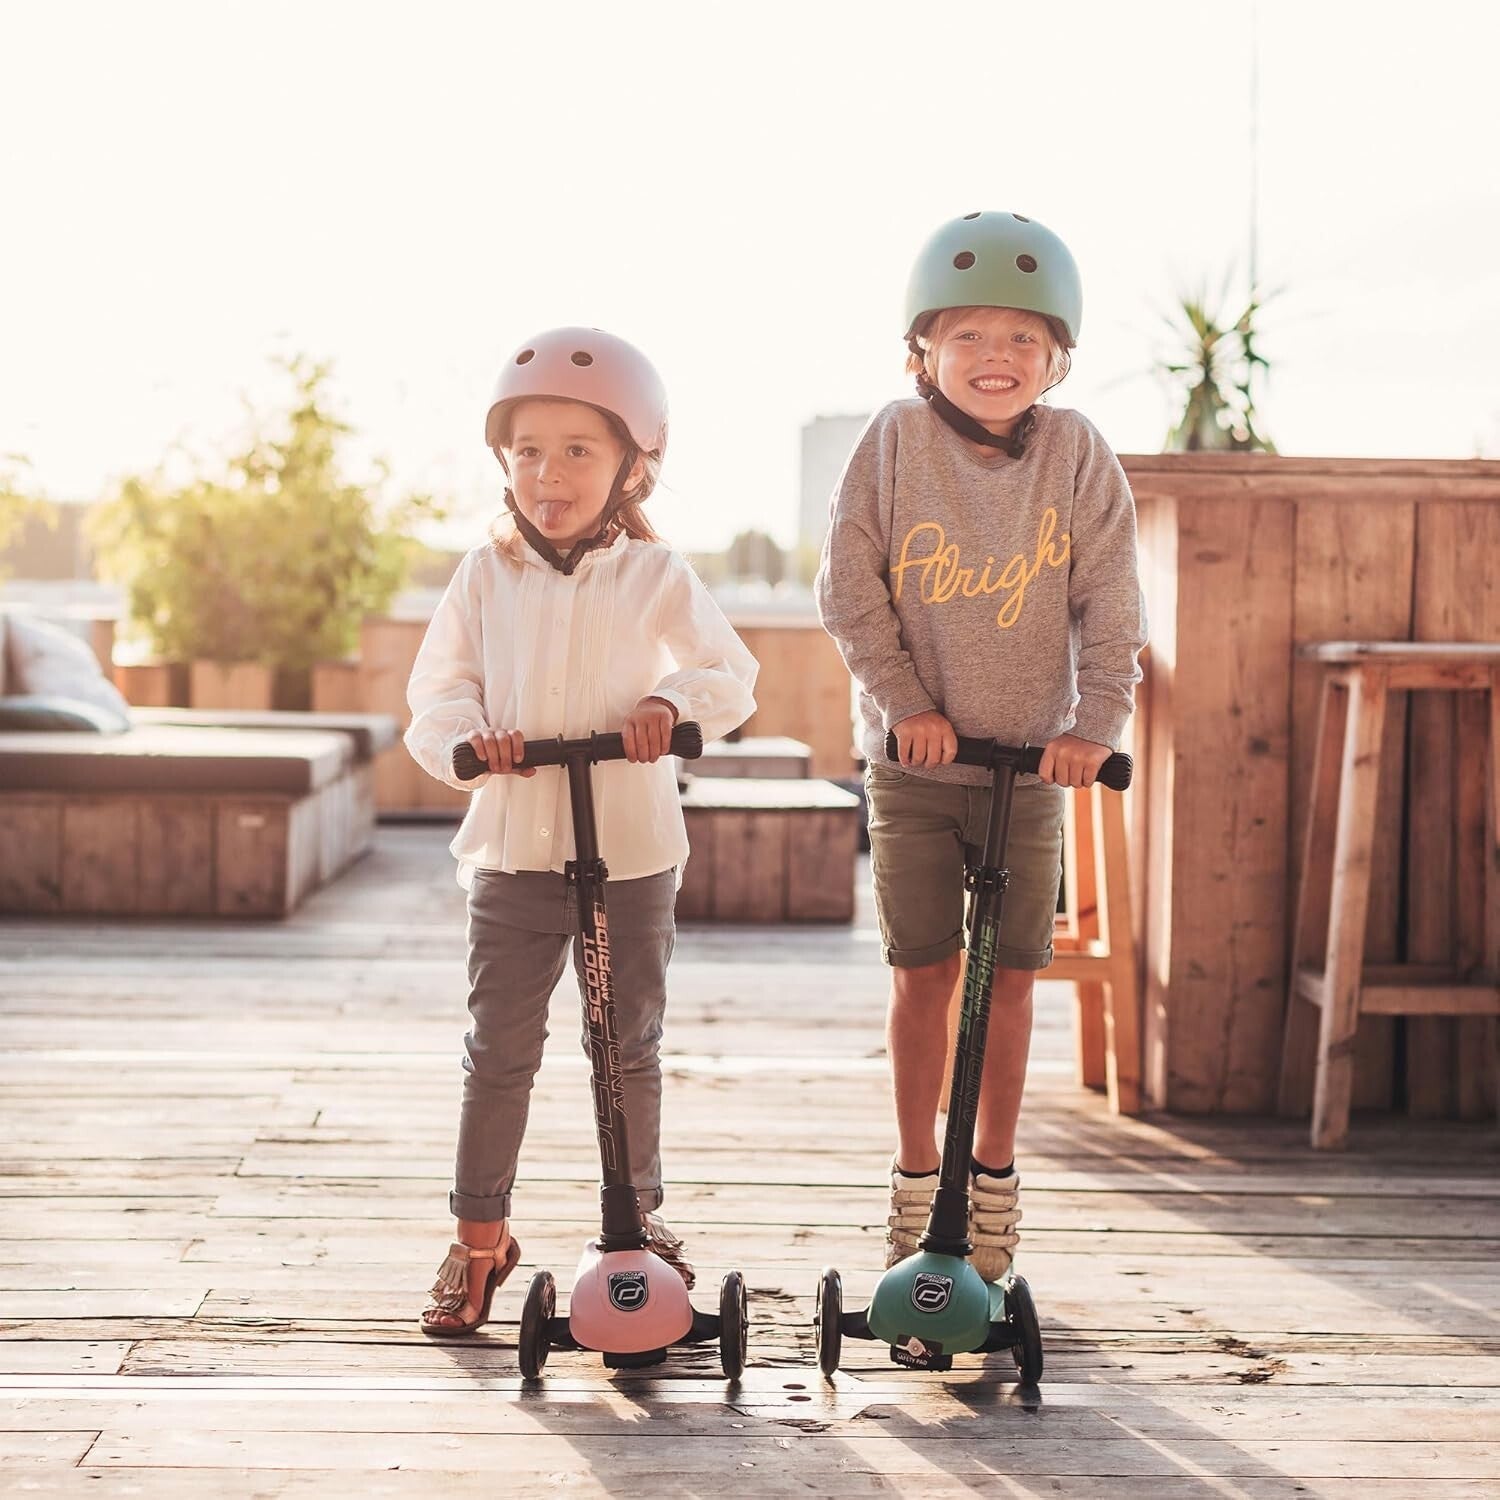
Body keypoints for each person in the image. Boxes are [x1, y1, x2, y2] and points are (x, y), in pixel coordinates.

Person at [405, 326, 758, 1335]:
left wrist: (667, 705)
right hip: (515, 849)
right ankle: (480, 1238)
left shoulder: (654, 575)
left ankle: (635, 1221)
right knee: (499, 1049)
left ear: (631, 465)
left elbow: (728, 675)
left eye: (576, 451)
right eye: (527, 451)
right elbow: (436, 697)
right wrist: (470, 744)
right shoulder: (484, 576)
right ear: (502, 462)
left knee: (626, 1044)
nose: (548, 474)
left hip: (632, 851)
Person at [815, 212, 1147, 1281]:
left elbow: (1110, 598)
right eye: (968, 338)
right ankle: (919, 1184)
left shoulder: (1076, 453)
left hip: (1029, 771)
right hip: (914, 773)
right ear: (923, 352)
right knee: (926, 973)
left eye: (1020, 340)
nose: (995, 359)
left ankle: (990, 1186)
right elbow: (848, 588)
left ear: (1056, 357)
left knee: (1007, 980)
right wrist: (905, 701)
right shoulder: (893, 443)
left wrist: (1094, 725)